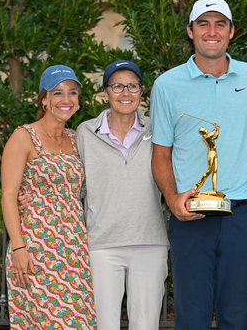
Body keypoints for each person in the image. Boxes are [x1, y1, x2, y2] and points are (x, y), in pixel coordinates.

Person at [150, 0, 247, 330]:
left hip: (244, 213)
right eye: (203, 24)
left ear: (232, 32)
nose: (211, 32)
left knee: (238, 314)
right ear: (190, 31)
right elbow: (160, 153)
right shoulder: (166, 85)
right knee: (192, 314)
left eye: (220, 24)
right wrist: (172, 200)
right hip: (191, 214)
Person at [75, 60, 169, 330]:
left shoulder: (159, 129)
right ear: (106, 92)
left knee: (146, 325)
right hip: (102, 245)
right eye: (117, 86)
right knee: (104, 326)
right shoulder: (85, 132)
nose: (125, 92)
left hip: (150, 243)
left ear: (142, 91)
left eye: (132, 86)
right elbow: (73, 184)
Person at [1, 65, 96, 329]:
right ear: (44, 99)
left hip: (75, 249)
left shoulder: (77, 139)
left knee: (79, 320)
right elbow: (8, 195)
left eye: (73, 93)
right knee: (45, 320)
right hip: (37, 248)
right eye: (58, 93)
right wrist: (18, 247)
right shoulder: (24, 137)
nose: (66, 100)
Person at [195, 124, 220, 191]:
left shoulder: (209, 137)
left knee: (214, 171)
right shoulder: (207, 137)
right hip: (211, 153)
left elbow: (216, 137)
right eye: (205, 129)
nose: (206, 130)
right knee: (209, 171)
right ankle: (199, 184)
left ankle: (214, 189)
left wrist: (217, 129)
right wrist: (216, 128)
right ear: (203, 132)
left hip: (215, 153)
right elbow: (212, 133)